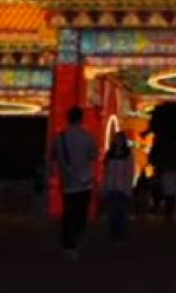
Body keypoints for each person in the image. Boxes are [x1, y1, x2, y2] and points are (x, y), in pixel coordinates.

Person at [52, 106, 97, 262]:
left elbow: (55, 156)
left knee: (69, 212)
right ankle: (75, 241)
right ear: (81, 119)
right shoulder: (88, 137)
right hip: (85, 180)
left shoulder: (60, 138)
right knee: (81, 213)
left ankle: (68, 244)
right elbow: (93, 155)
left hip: (68, 180)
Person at [104, 132, 135, 242]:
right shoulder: (110, 154)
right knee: (112, 211)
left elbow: (130, 171)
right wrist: (104, 186)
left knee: (121, 211)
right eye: (117, 139)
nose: (118, 141)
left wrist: (128, 187)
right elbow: (106, 172)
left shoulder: (128, 154)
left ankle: (120, 232)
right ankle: (114, 230)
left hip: (122, 186)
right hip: (111, 186)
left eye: (120, 139)